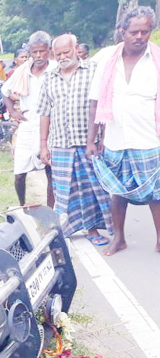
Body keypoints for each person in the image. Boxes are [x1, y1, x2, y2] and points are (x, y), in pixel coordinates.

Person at [86, 6, 160, 255]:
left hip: (150, 139)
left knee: (156, 195)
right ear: (122, 31)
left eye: (145, 32)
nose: (140, 37)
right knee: (116, 193)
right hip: (115, 140)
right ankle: (119, 238)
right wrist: (90, 141)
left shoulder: (157, 59)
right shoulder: (107, 61)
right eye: (134, 32)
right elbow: (95, 101)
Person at [38, 34, 111, 245]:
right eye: (58, 54)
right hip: (60, 144)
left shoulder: (93, 71)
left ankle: (93, 229)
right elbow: (44, 113)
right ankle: (63, 231)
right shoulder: (49, 78)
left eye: (66, 52)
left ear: (76, 49)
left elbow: (102, 105)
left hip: (88, 142)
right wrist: (43, 144)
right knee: (64, 192)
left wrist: (103, 138)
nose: (62, 57)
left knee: (93, 189)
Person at [3, 31, 57, 207]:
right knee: (19, 174)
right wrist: (13, 112)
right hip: (27, 127)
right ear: (31, 52)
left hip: (51, 128)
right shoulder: (23, 70)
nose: (39, 56)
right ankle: (22, 207)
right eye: (35, 52)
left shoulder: (55, 69)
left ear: (49, 50)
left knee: (50, 173)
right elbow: (5, 92)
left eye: (42, 51)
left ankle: (51, 212)